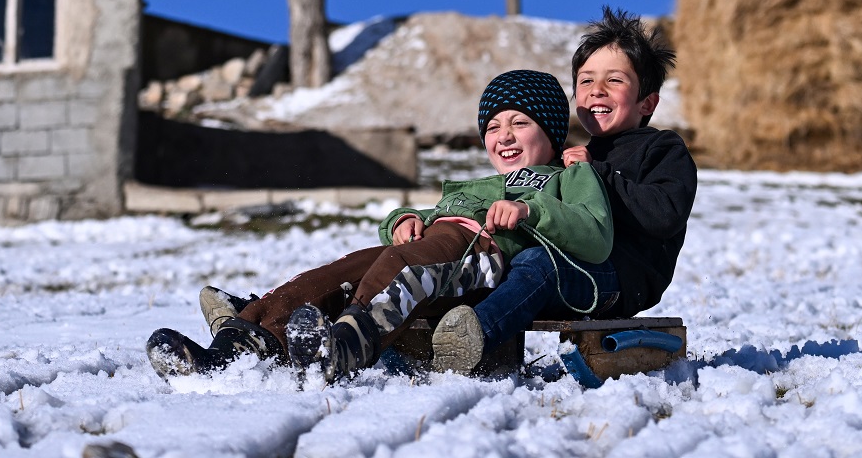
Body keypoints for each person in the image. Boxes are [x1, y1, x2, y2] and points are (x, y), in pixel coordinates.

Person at [146, 69, 615, 383]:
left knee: (406, 268)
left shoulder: (566, 175)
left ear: (552, 132)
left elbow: (594, 233)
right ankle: (237, 346)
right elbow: (431, 217)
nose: (503, 135)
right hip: (434, 244)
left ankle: (346, 346)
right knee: (337, 273)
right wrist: (405, 220)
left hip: (484, 256)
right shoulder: (478, 184)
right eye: (492, 127)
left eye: (519, 123)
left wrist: (532, 212)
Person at [429, 7, 698, 374]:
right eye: (586, 82)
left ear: (647, 102)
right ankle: (420, 328)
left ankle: (474, 335)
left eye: (614, 81)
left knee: (539, 264)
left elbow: (663, 213)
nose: (596, 91)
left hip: (621, 278)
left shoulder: (660, 149)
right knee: (493, 259)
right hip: (572, 266)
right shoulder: (574, 155)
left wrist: (595, 173)